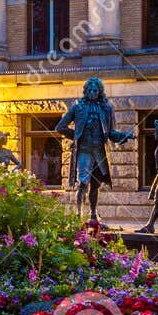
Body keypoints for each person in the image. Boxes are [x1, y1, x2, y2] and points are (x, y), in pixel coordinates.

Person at [55, 77, 134, 228]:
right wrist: (77, 135)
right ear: (85, 91)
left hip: (99, 152)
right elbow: (60, 127)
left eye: (95, 90)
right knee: (82, 184)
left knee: (96, 185)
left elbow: (111, 133)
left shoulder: (107, 109)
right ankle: (78, 215)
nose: (92, 93)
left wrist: (124, 136)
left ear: (100, 92)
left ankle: (93, 214)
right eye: (89, 90)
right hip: (84, 151)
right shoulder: (77, 107)